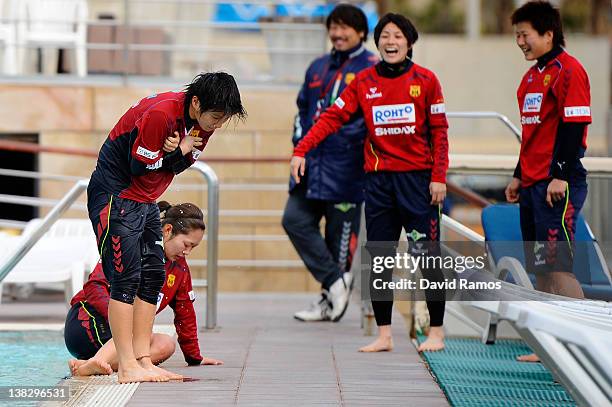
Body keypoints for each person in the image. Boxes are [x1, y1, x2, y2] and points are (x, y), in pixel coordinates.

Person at [291, 13, 449, 352]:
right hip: (378, 183)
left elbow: (440, 132)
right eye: (385, 36)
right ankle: (385, 335)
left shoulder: (427, 80)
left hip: (418, 183)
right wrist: (301, 149)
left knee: (427, 257)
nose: (391, 42)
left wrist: (438, 177)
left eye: (397, 36)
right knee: (380, 259)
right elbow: (332, 117)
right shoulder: (364, 81)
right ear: (376, 43)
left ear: (409, 43)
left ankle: (436, 332)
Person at [87, 72, 246, 383]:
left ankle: (143, 361)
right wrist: (176, 150)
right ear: (196, 102)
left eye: (223, 119)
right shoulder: (162, 114)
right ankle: (127, 366)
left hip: (145, 198)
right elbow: (138, 167)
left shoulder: (202, 124)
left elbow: (179, 164)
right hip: (116, 195)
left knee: (153, 275)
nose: (216, 125)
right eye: (215, 116)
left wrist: (176, 152)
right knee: (125, 278)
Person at [505, 1, 591, 362]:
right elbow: (533, 134)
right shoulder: (530, 77)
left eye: (524, 35)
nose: (520, 42)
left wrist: (559, 175)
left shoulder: (568, 70)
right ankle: (550, 346)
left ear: (548, 34)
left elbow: (573, 127)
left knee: (558, 264)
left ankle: (588, 343)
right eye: (517, 36)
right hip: (533, 184)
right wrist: (518, 174)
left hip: (559, 185)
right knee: (540, 264)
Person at [282, 4, 378, 323]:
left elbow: (367, 122)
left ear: (361, 32)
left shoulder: (372, 68)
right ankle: (336, 284)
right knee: (294, 219)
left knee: (338, 242)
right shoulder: (317, 67)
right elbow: (302, 111)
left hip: (347, 170)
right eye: (333, 28)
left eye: (344, 28)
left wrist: (341, 143)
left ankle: (328, 300)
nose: (337, 34)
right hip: (310, 165)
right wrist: (301, 145)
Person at [66, 202, 223, 377]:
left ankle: (91, 365)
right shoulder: (131, 247)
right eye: (186, 244)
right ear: (167, 230)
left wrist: (194, 357)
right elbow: (94, 286)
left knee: (166, 344)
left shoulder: (180, 269)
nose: (188, 251)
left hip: (123, 338)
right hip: (89, 323)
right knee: (137, 326)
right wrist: (123, 319)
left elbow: (185, 312)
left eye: (193, 247)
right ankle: (98, 361)